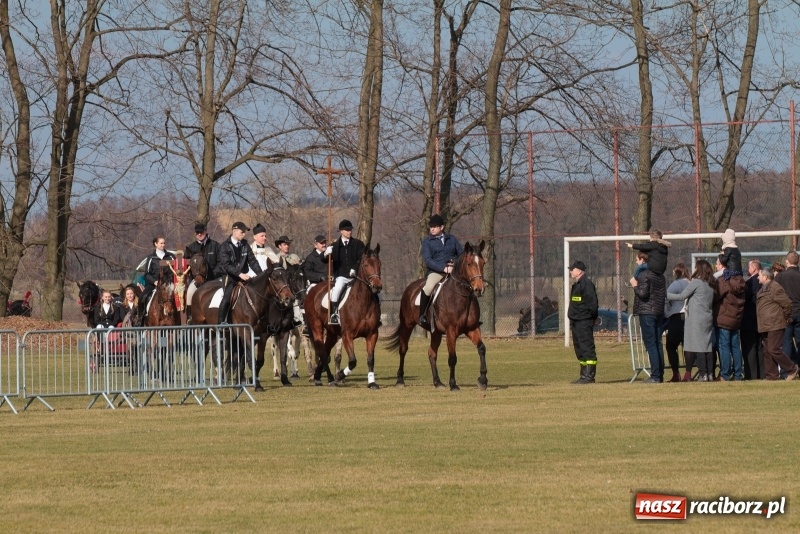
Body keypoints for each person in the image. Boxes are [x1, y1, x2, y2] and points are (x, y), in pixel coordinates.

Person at [667, 260, 716, 381]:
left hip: (696, 318)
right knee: (707, 346)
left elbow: (682, 296)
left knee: (698, 346)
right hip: (707, 317)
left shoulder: (697, 283)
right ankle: (710, 373)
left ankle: (703, 374)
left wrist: (665, 295)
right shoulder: (711, 283)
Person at [419, 214, 463, 329]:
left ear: (442, 227)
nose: (432, 229)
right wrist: (444, 268)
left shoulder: (452, 239)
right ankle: (422, 315)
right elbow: (428, 260)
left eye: (434, 226)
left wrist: (455, 264)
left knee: (468, 285)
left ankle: (472, 315)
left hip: (454, 272)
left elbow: (462, 254)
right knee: (428, 287)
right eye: (430, 227)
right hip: (436, 272)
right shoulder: (427, 242)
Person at [756, 268, 799, 381]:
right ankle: (772, 376)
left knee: (774, 349)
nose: (757, 277)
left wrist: (786, 317)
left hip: (775, 323)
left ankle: (792, 369)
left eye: (759, 275)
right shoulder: (763, 289)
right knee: (767, 351)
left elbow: (787, 303)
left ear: (765, 277)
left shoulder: (775, 287)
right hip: (765, 324)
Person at [216, 221, 263, 324]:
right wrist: (239, 274)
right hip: (230, 277)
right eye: (242, 232)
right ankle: (221, 323)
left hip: (244, 276)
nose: (244, 234)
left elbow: (253, 261)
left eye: (244, 232)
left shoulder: (245, 245)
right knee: (227, 297)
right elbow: (226, 265)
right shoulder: (224, 246)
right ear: (234, 231)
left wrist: (261, 275)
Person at [631, 251, 667, 383]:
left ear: (642, 260)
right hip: (658, 311)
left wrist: (635, 285)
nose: (636, 262)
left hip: (647, 312)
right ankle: (659, 373)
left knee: (650, 344)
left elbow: (643, 294)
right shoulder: (660, 275)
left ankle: (656, 375)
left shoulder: (644, 274)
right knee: (657, 343)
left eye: (637, 259)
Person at [323, 219, 366, 325]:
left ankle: (375, 316)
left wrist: (355, 268)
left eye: (350, 230)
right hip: (342, 276)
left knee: (375, 293)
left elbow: (362, 258)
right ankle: (333, 314)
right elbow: (323, 260)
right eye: (346, 230)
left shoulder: (358, 244)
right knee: (336, 291)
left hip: (357, 277)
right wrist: (325, 254)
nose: (349, 232)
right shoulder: (334, 246)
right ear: (341, 231)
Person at [714, 254, 745, 381]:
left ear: (722, 265)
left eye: (717, 264)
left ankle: (725, 374)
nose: (716, 266)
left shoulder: (723, 280)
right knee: (735, 347)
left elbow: (715, 297)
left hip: (724, 318)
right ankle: (738, 374)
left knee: (724, 347)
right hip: (736, 318)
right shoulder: (740, 280)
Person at [567, 260, 598, 384]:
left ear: (579, 271)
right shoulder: (577, 285)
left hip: (584, 322)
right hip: (576, 322)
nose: (570, 271)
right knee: (579, 348)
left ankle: (589, 376)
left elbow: (592, 304)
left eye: (572, 269)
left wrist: (589, 318)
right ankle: (583, 375)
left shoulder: (587, 284)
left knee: (587, 347)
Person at [183, 222, 221, 323]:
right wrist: (194, 277)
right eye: (197, 232)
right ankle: (190, 316)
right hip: (197, 280)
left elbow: (221, 263)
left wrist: (213, 274)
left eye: (201, 232)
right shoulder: (190, 248)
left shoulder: (215, 246)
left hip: (214, 279)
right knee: (190, 292)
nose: (199, 234)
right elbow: (185, 266)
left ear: (206, 231)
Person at [137, 235, 176, 321]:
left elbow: (176, 270)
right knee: (142, 297)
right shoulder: (151, 258)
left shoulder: (171, 256)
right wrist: (154, 281)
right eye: (161, 243)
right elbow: (146, 274)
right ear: (155, 244)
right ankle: (139, 319)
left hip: (169, 284)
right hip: (155, 283)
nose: (163, 245)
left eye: (164, 243)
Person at [664, 263, 690, 382]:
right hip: (689, 316)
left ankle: (676, 373)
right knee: (687, 346)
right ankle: (688, 373)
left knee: (670, 346)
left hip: (677, 316)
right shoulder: (690, 282)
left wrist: (667, 309)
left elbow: (666, 296)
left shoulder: (677, 283)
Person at [775, 251, 800, 366]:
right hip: (799, 311)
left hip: (786, 313)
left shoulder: (781, 276)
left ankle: (786, 370)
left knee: (786, 343)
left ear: (787, 261)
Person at [741, 259, 764, 380]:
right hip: (761, 319)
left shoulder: (751, 282)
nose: (747, 269)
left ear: (754, 269)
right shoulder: (764, 282)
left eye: (749, 267)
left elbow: (745, 298)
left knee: (750, 348)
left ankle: (751, 374)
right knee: (760, 348)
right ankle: (762, 373)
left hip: (749, 319)